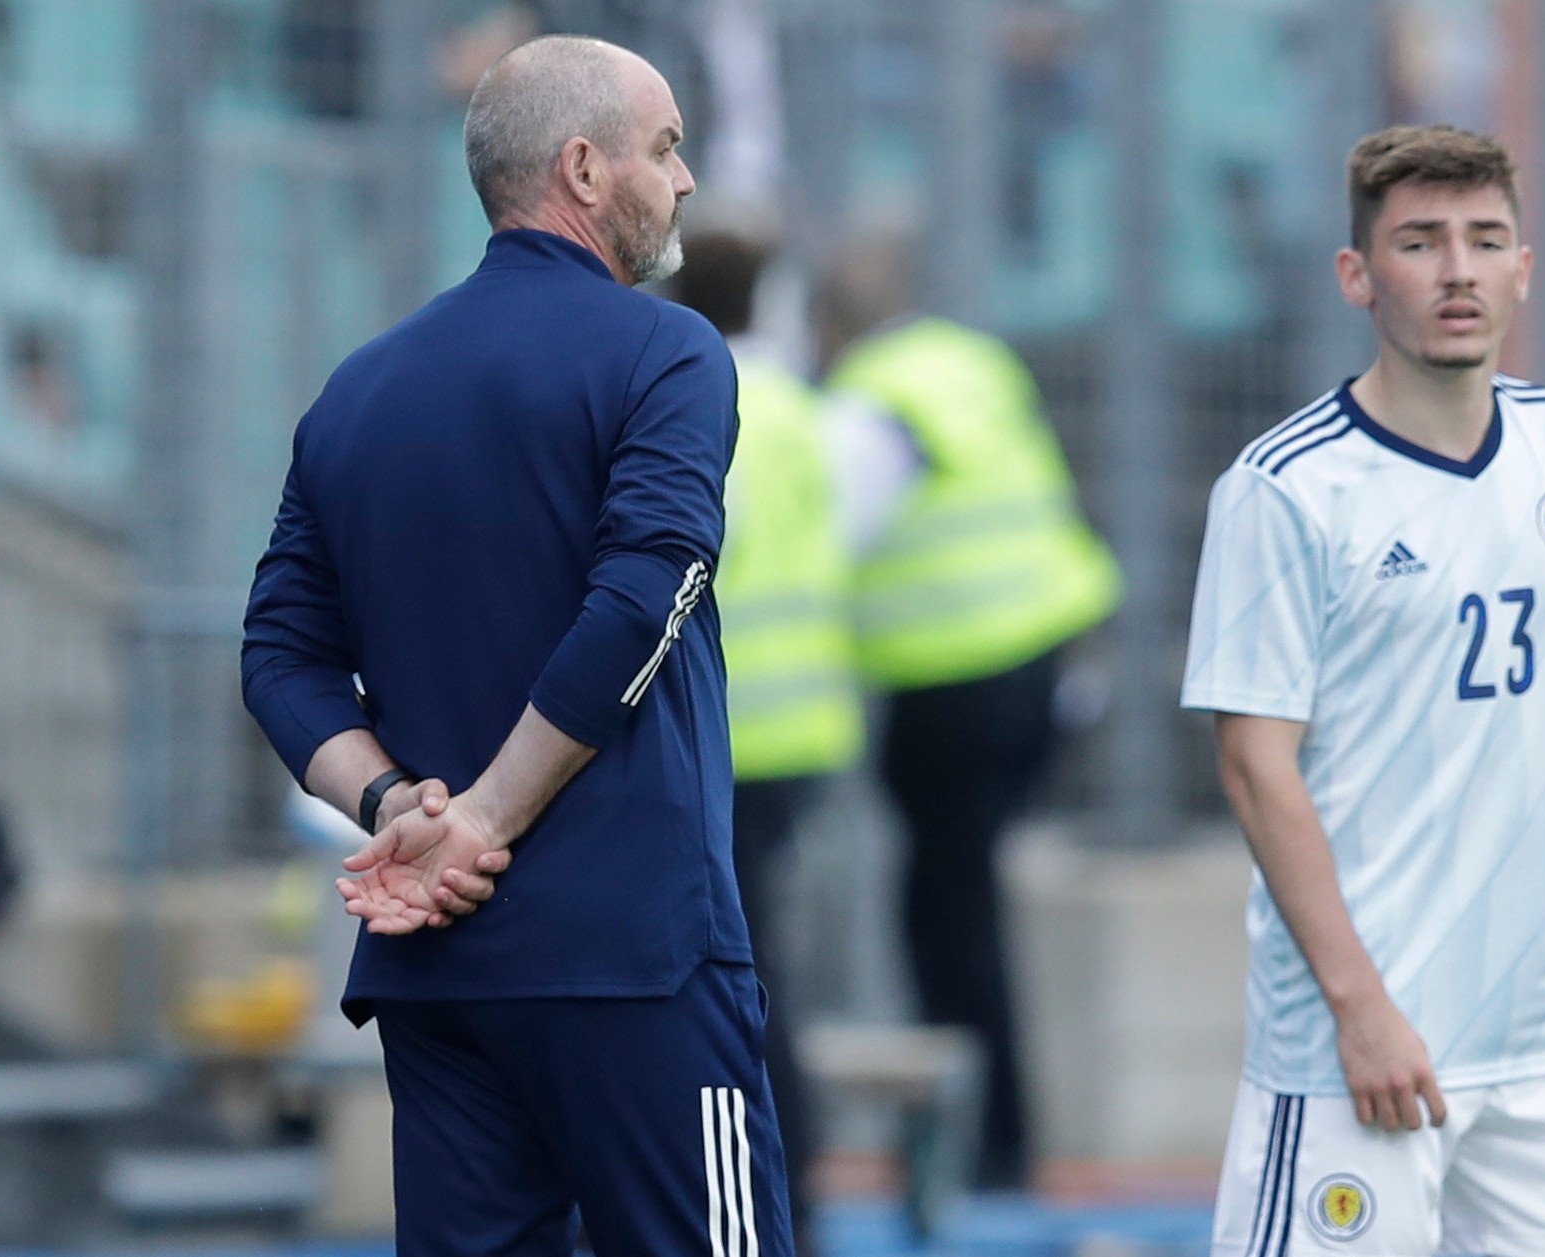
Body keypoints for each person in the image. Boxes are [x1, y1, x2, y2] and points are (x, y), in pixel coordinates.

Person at [240, 36, 793, 1257]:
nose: (687, 178)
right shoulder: (668, 350)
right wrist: (479, 817)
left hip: (440, 974)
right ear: (585, 170)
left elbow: (278, 654)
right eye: (665, 146)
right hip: (634, 954)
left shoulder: (361, 387)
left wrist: (391, 804)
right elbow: (647, 593)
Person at [1180, 125, 1545, 1257]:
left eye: (1485, 241)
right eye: (1419, 242)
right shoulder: (1284, 492)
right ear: (1355, 275)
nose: (1456, 272)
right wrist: (1358, 1008)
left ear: (1522, 270)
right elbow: (1253, 763)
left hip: (1535, 1034)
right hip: (1360, 1044)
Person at [816, 238, 1123, 1189]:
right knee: (965, 904)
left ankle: (988, 1141)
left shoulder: (869, 403)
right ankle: (993, 1135)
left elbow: (829, 531)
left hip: (951, 684)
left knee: (946, 916)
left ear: (831, 325)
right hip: (1045, 658)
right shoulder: (970, 360)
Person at [674, 226, 862, 1255]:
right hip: (802, 725)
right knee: (753, 970)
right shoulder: (798, 407)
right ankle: (786, 1196)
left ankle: (764, 1200)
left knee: (727, 979)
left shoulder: (706, 403)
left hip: (724, 734)